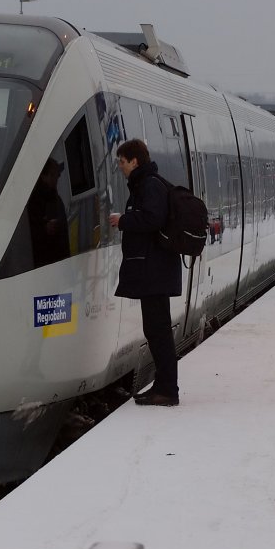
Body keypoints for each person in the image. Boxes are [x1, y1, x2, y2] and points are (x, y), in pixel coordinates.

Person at [108, 139, 182, 407]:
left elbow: (153, 218)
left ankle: (167, 390)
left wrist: (123, 220)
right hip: (154, 271)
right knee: (155, 330)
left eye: (122, 161)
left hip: (155, 272)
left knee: (158, 331)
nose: (120, 167)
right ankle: (162, 387)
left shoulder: (149, 185)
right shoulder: (147, 183)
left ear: (135, 161)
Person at [27, 158, 71, 267]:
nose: (58, 177)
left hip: (54, 258)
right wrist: (44, 229)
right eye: (54, 174)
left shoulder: (53, 196)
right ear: (44, 176)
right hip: (47, 259)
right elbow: (27, 230)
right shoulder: (35, 199)